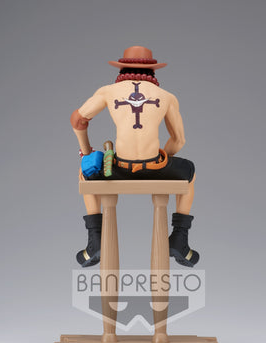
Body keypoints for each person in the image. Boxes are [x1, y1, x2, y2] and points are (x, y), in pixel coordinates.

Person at [71, 46, 199, 268]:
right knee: (190, 173)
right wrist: (161, 161)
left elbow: (78, 120)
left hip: (119, 167)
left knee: (85, 172)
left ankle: (95, 239)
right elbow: (179, 140)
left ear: (122, 69)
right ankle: (180, 237)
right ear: (152, 71)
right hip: (155, 168)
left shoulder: (108, 91)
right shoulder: (166, 97)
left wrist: (86, 152)